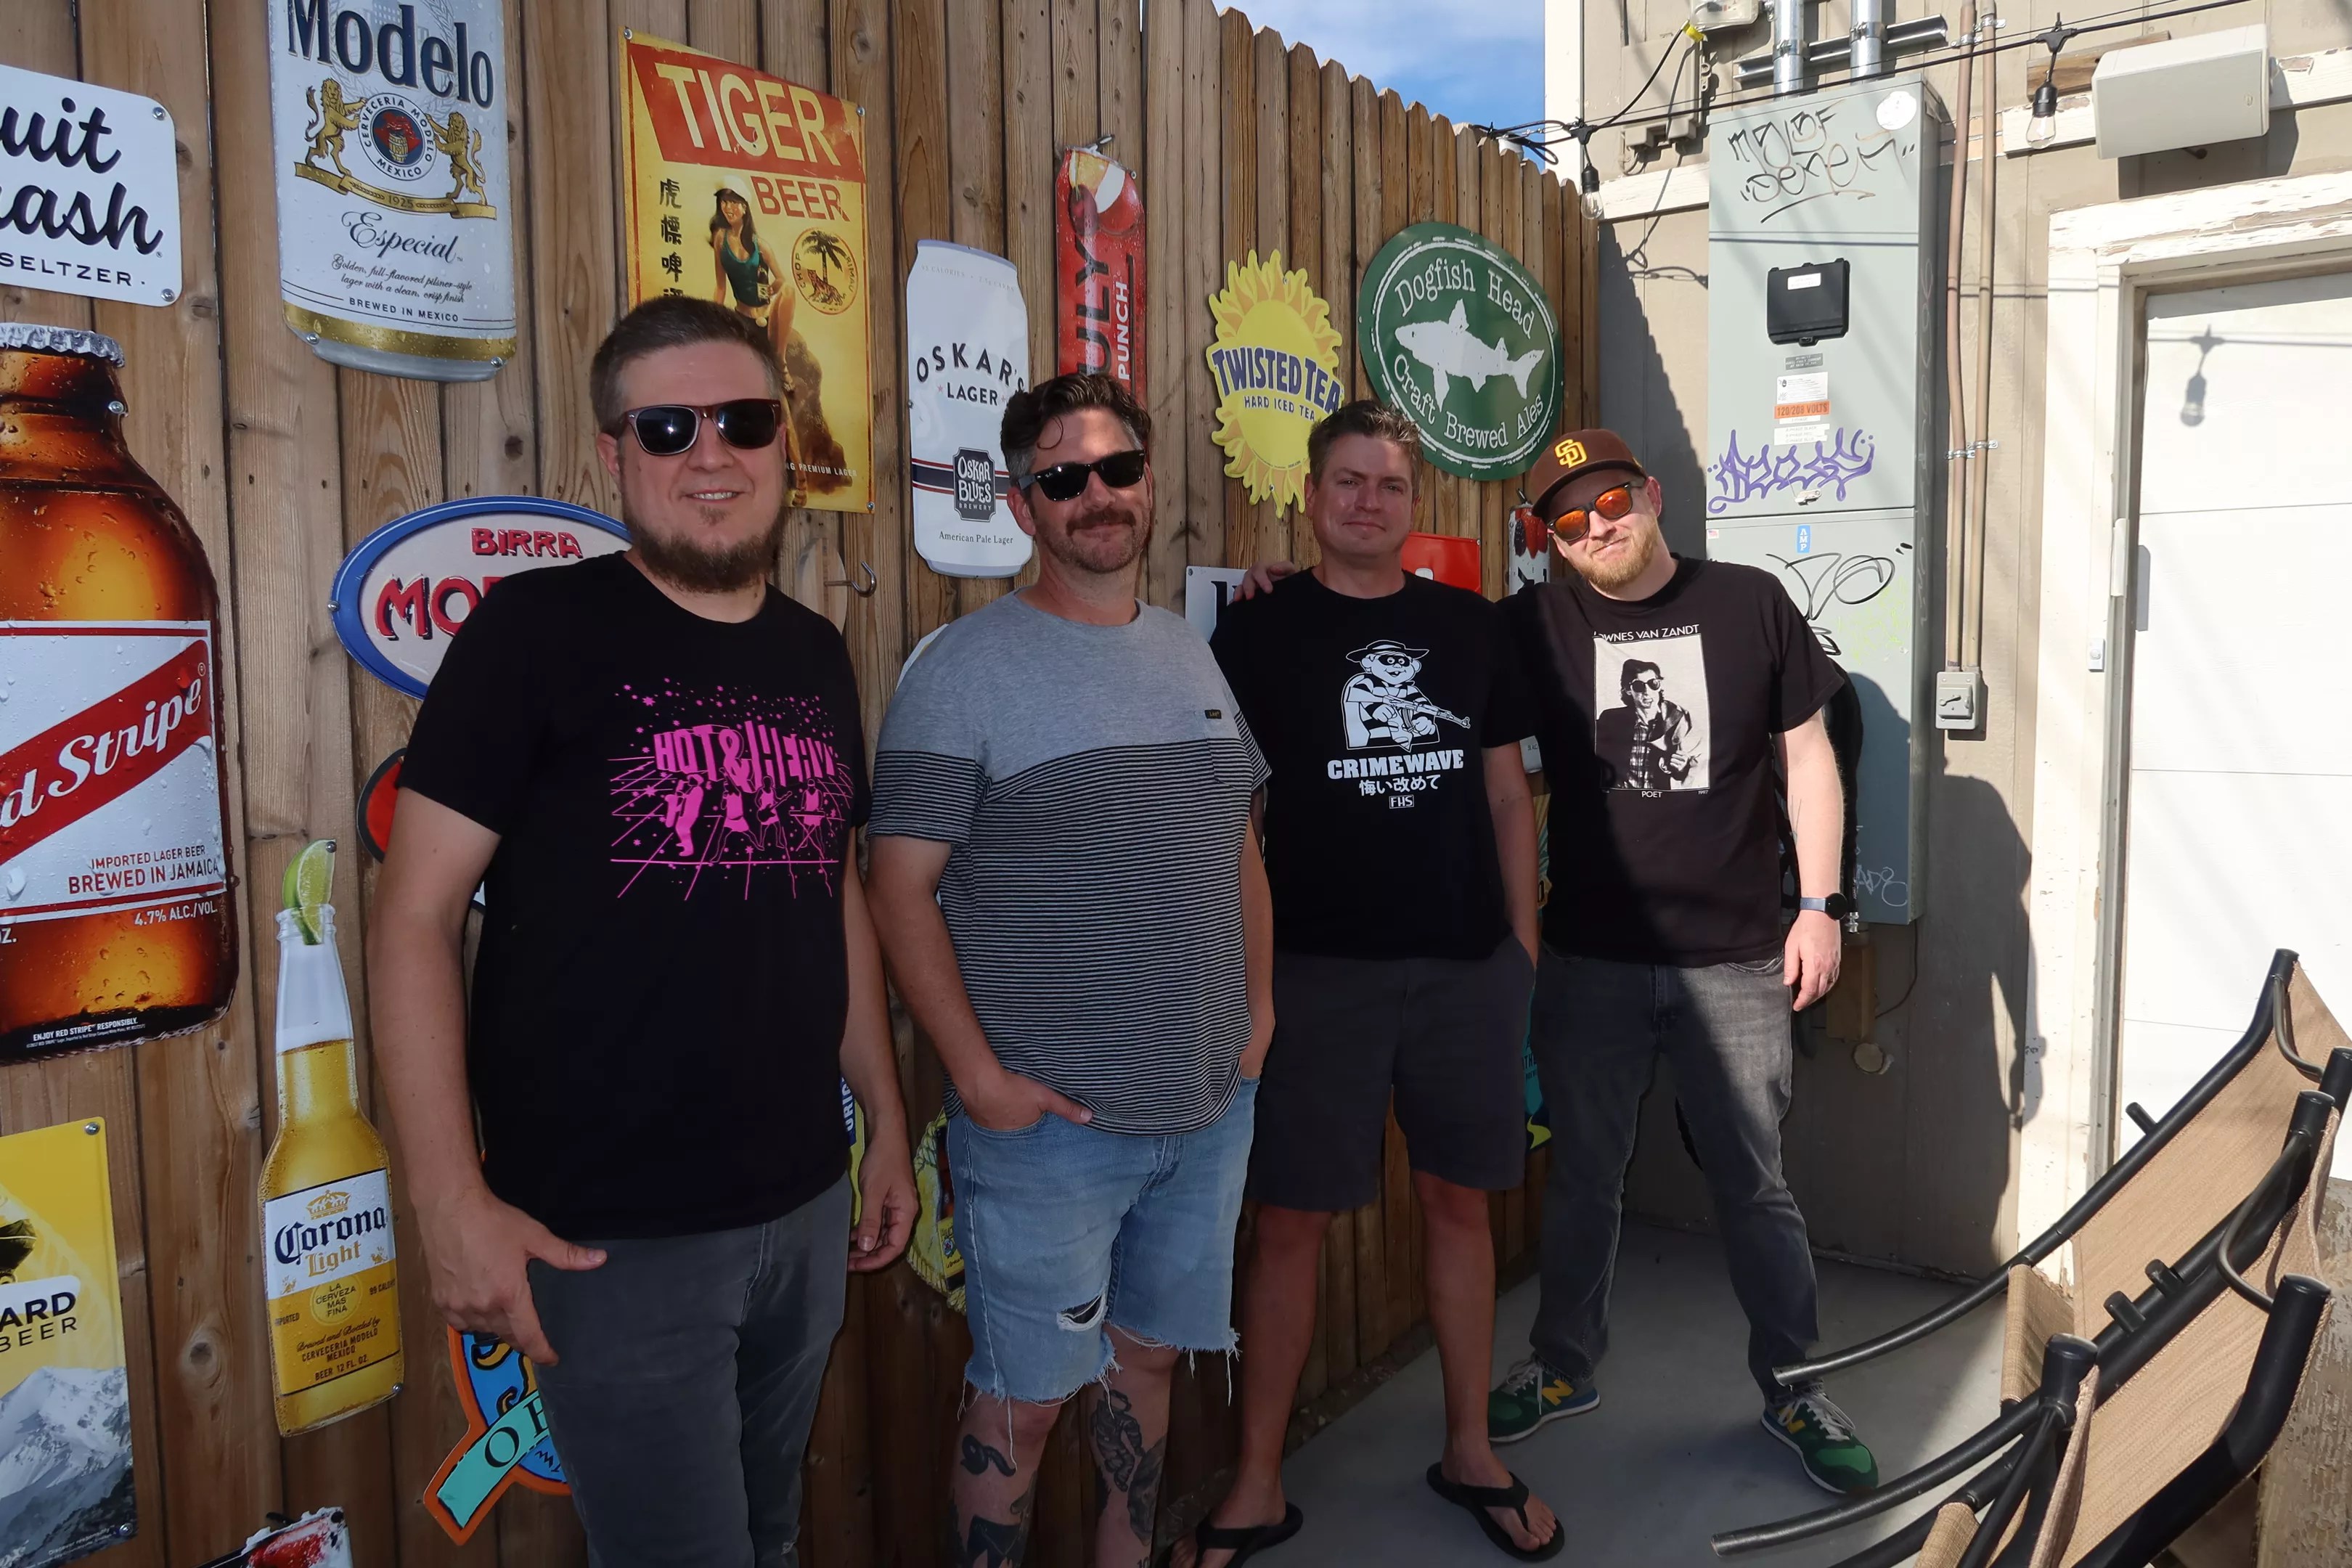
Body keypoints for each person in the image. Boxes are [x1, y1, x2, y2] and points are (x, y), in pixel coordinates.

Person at [371, 296, 916, 1567]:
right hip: (611, 1238)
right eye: (668, 428)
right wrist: (448, 1199)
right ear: (612, 454)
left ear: (786, 442)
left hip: (802, 1202)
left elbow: (828, 887)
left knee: (768, 1538)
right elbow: (413, 918)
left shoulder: (815, 653)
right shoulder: (534, 633)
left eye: (743, 421)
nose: (710, 454)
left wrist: (885, 1119)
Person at [864, 372, 1272, 1568]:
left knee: (1148, 1363)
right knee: (1026, 1406)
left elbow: (1238, 843)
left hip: (1208, 1108)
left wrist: (1259, 1015)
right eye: (1063, 477)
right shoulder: (963, 668)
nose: (1098, 495)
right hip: (1050, 1131)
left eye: (1118, 469)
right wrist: (979, 1080)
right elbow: (896, 887)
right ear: (1023, 505)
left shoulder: (1188, 655)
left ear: (1148, 482)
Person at [1193, 402, 1559, 1564]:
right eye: (1346, 482)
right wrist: (1246, 977)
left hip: (1465, 974)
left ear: (1415, 503)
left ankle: (1471, 1449)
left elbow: (1507, 794)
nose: (1367, 502)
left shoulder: (1470, 627)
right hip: (1316, 976)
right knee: (1289, 1222)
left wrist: (1521, 948)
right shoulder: (1254, 633)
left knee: (1461, 1206)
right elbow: (1237, 817)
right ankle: (1256, 1484)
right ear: (1310, 497)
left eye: (1389, 485)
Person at [1487, 428, 1874, 1495]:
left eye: (1612, 501)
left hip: (1738, 958)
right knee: (1584, 1179)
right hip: (1590, 961)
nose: (1597, 526)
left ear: (1652, 494)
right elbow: (1416, 644)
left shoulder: (1750, 603)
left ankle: (1794, 1384)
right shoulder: (1532, 626)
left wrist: (1821, 908)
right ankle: (1563, 1364)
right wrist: (1279, 586)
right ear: (1552, 541)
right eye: (1571, 519)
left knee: (1755, 1185)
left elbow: (1810, 758)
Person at [1596, 656, 1702, 791]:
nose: (1647, 692)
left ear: (1659, 686)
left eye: (1653, 683)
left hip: (1661, 799)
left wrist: (1681, 768)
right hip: (1623, 798)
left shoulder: (1677, 721)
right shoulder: (1610, 720)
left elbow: (1683, 775)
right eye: (1639, 686)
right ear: (1628, 690)